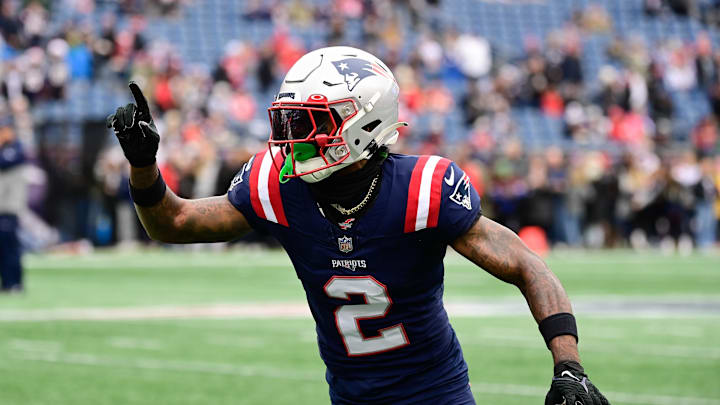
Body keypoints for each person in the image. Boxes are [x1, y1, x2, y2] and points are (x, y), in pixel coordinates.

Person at [107, 46, 609, 405]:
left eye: (306, 123)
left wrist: (569, 364)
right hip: (348, 395)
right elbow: (172, 224)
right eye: (286, 123)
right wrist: (144, 166)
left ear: (363, 125)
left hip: (435, 394)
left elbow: (526, 263)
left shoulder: (421, 189)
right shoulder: (276, 185)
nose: (288, 141)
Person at [0, 116, 27, 293]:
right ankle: (6, 284)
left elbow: (4, 161)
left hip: (9, 207)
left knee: (11, 248)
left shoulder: (16, 149)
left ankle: (15, 283)